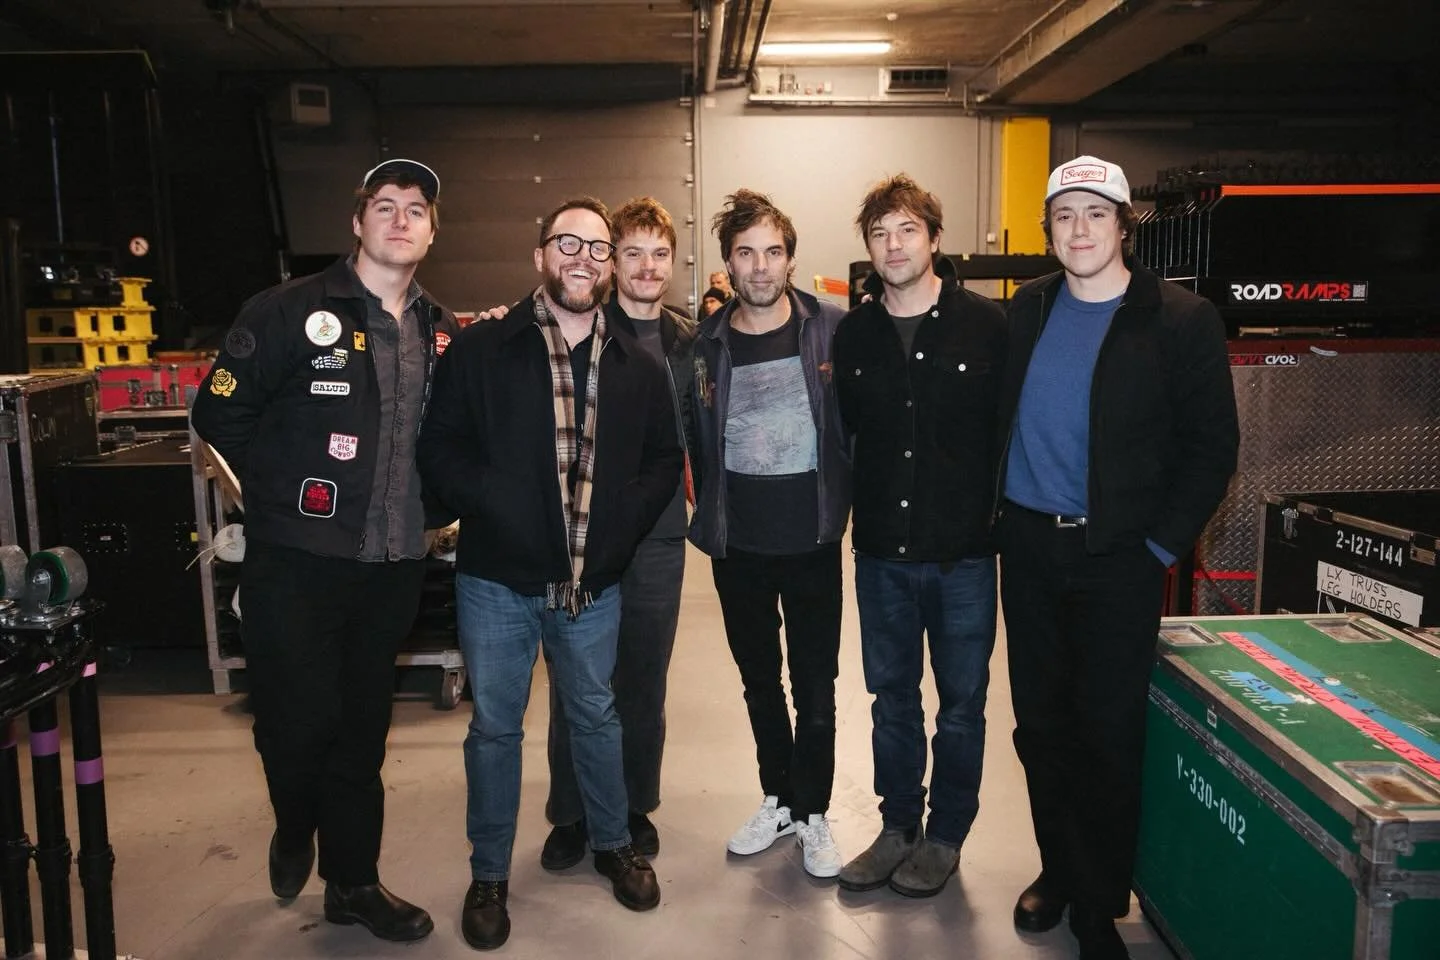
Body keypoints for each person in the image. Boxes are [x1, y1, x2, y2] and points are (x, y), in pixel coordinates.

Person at [192, 158, 458, 943]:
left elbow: (453, 436)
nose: (401, 219)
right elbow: (219, 415)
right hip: (295, 564)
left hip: (391, 566)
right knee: (294, 723)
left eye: (417, 209)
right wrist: (280, 504)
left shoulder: (441, 330)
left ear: (432, 232)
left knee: (361, 731)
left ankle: (352, 882)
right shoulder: (287, 311)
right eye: (386, 204)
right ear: (357, 221)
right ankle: (293, 819)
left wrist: (437, 510)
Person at [416, 197, 683, 951]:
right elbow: (439, 447)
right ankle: (489, 876)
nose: (583, 258)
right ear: (540, 255)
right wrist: (494, 502)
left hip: (592, 585)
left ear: (609, 265)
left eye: (598, 248)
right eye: (568, 243)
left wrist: (620, 528)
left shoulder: (635, 364)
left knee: (595, 714)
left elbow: (664, 458)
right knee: (495, 729)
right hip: (497, 582)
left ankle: (612, 843)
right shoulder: (484, 348)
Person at [996, 156, 1238, 959]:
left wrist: (1157, 549)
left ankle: (1099, 901)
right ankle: (1058, 871)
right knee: (1041, 727)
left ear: (1124, 225)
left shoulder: (1179, 320)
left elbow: (1212, 449)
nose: (1080, 230)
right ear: (1048, 230)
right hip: (1030, 548)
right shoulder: (1028, 308)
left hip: (1119, 558)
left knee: (1106, 734)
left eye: (1096, 213)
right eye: (1064, 215)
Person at [832, 174, 1007, 898]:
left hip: (964, 557)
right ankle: (897, 826)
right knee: (892, 700)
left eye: (907, 229)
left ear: (935, 238)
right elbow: (847, 434)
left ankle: (945, 838)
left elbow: (1010, 431)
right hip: (881, 556)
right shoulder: (854, 333)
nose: (893, 245)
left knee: (962, 706)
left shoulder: (988, 326)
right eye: (879, 233)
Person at [688, 188, 851, 879]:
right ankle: (779, 798)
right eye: (746, 253)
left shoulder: (831, 330)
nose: (760, 266)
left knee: (816, 686)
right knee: (760, 681)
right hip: (740, 546)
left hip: (812, 542)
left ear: (790, 259)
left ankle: (813, 812)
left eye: (773, 252)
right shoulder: (704, 346)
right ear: (727, 263)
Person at [539, 196, 696, 869]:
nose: (647, 267)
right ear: (611, 262)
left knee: (643, 678)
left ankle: (633, 806)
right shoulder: (580, 328)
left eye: (659, 254)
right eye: (632, 252)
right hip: (583, 537)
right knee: (577, 680)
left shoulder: (691, 343)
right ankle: (572, 814)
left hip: (659, 537)